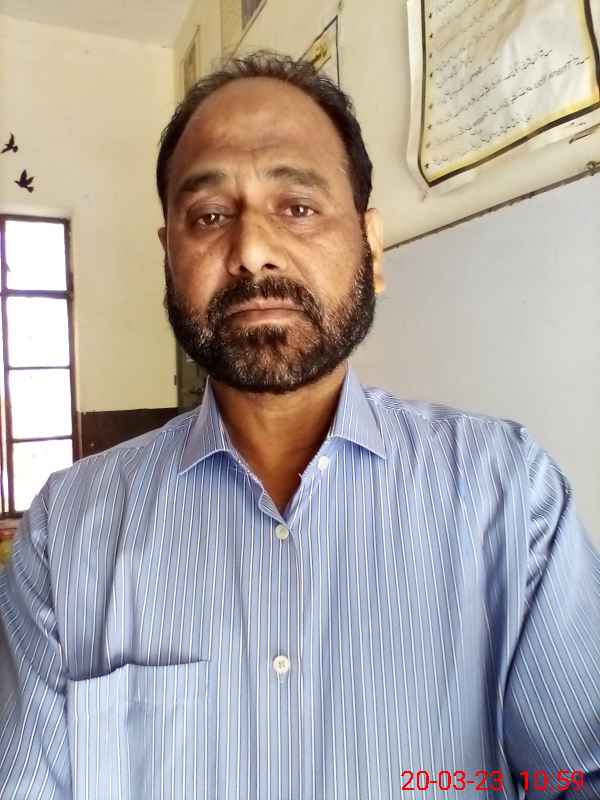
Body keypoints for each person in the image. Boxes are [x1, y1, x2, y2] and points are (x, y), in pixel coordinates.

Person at [0, 51, 598, 800]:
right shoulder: (66, 532)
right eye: (210, 216)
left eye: (298, 207)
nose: (252, 251)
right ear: (169, 257)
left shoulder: (509, 494)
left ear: (371, 247)